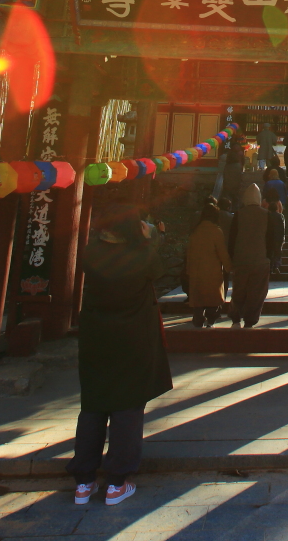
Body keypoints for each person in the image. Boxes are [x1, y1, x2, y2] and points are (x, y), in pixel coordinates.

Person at [68, 199, 171, 507]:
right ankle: (116, 481)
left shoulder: (91, 252)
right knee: (127, 405)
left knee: (94, 404)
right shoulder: (141, 255)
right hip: (132, 337)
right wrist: (151, 237)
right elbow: (158, 270)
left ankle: (83, 481)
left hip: (96, 337)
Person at [226, 183, 282, 327]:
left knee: (239, 291)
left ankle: (236, 317)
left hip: (240, 260)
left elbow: (232, 238)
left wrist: (231, 258)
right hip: (260, 260)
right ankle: (250, 320)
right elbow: (271, 239)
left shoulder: (239, 214)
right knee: (257, 292)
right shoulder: (267, 215)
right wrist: (269, 257)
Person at [184, 203, 231, 328]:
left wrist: (188, 269)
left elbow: (189, 252)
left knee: (198, 298)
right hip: (212, 272)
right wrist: (229, 267)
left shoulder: (195, 232)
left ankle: (198, 318)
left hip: (196, 271)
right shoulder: (216, 231)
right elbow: (222, 253)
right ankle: (210, 320)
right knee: (213, 299)